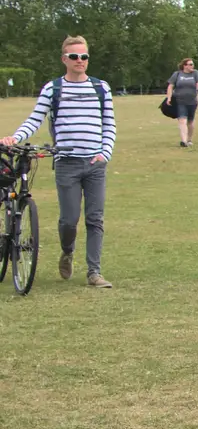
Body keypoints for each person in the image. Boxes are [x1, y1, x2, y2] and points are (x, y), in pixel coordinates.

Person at [2, 35, 116, 288]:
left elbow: (109, 124)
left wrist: (104, 153)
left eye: (84, 57)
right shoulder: (53, 88)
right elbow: (35, 119)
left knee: (95, 218)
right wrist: (14, 137)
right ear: (65, 59)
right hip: (67, 163)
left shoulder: (101, 88)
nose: (80, 61)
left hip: (95, 163)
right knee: (69, 219)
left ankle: (94, 272)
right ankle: (68, 251)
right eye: (74, 57)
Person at [166, 58, 198, 148]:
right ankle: (183, 141)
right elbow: (170, 86)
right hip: (180, 101)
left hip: (192, 101)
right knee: (182, 120)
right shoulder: (177, 74)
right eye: (190, 64)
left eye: (193, 64)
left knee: (190, 122)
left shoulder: (195, 73)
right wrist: (169, 98)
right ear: (185, 66)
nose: (192, 66)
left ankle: (189, 139)